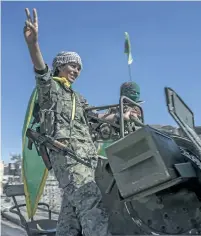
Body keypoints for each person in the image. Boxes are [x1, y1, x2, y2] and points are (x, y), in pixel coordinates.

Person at [23, 8, 135, 236]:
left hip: (85, 158)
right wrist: (33, 44)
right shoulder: (50, 89)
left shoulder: (78, 98)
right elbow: (41, 71)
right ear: (60, 65)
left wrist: (121, 115)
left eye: (79, 68)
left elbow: (95, 120)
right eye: (72, 65)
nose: (76, 70)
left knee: (71, 213)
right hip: (66, 155)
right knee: (92, 204)